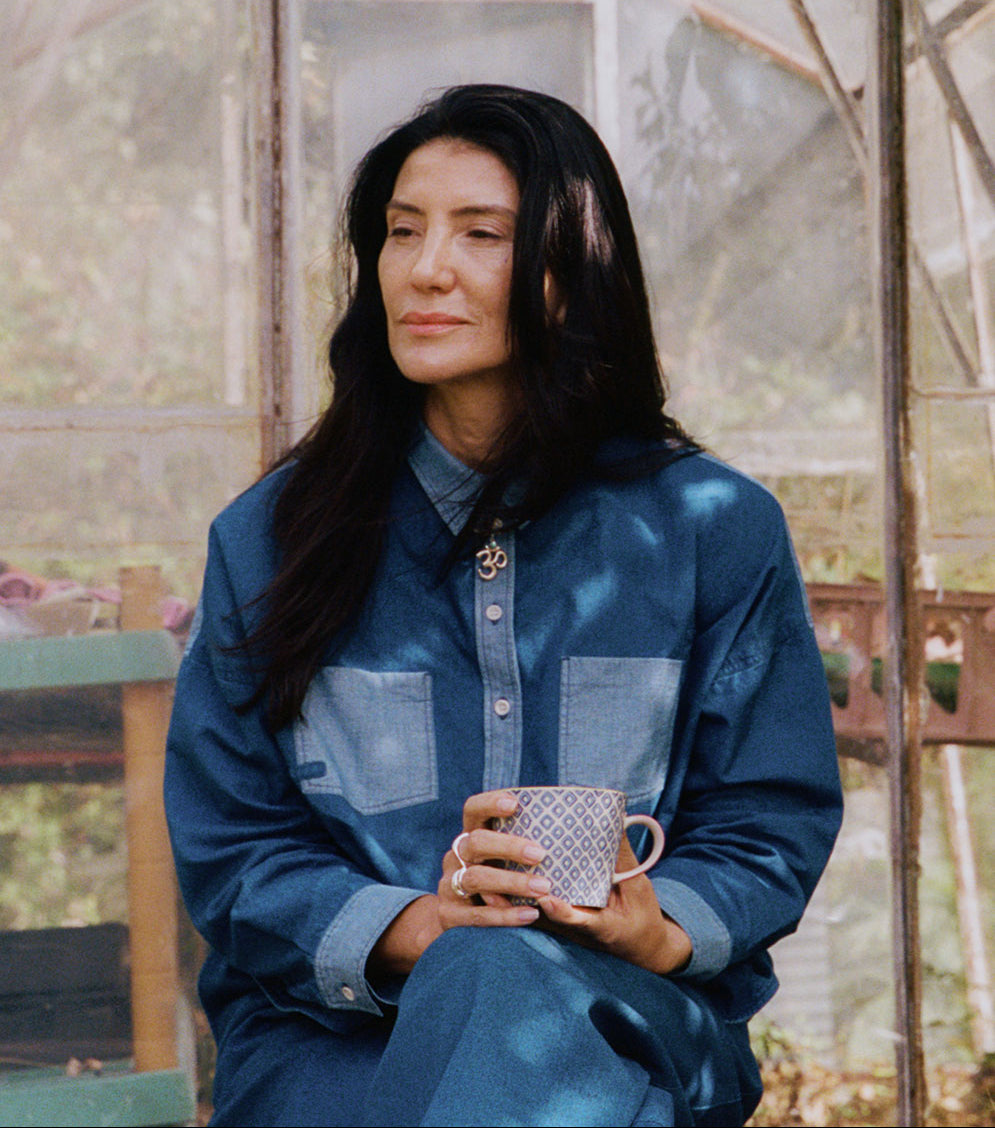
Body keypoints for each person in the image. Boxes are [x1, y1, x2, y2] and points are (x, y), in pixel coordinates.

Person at [165, 84, 843, 1127]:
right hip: (335, 1042)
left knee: (504, 984)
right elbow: (233, 842)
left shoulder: (711, 529)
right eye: (401, 231)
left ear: (575, 273)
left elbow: (767, 815)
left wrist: (655, 926)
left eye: (479, 234)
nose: (424, 268)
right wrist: (420, 927)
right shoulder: (268, 541)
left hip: (627, 1019)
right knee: (475, 981)